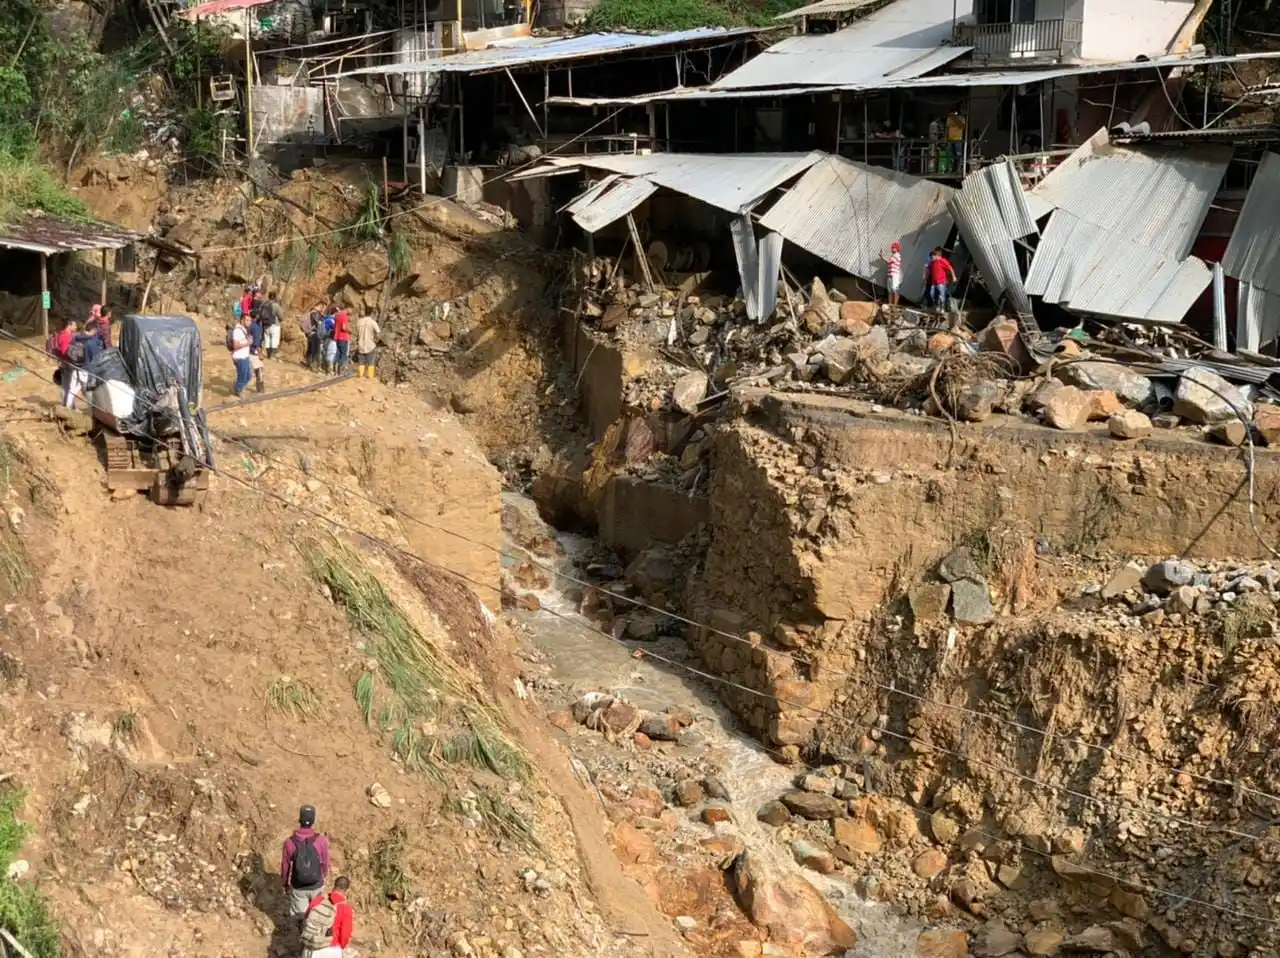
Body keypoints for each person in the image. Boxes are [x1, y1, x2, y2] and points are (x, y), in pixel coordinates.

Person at [281, 805, 330, 921]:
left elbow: (285, 866)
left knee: (300, 918)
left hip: (298, 887)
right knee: (316, 916)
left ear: (299, 820)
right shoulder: (321, 840)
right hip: (316, 885)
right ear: (313, 821)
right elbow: (326, 863)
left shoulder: (289, 843)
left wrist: (285, 884)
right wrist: (323, 876)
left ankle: (300, 935)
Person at [301, 876, 354, 958]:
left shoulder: (318, 900)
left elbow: (306, 919)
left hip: (311, 948)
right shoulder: (346, 909)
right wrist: (342, 947)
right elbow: (345, 935)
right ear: (347, 891)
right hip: (330, 950)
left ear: (334, 886)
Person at [926, 247, 957, 313]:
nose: (932, 257)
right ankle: (937, 306)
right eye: (932, 255)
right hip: (934, 282)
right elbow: (928, 269)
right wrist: (926, 277)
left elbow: (950, 268)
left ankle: (942, 308)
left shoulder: (942, 261)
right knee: (932, 294)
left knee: (942, 295)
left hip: (941, 282)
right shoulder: (932, 263)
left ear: (938, 256)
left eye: (934, 255)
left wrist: (954, 276)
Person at [229, 316, 252, 398]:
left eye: (250, 320)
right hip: (239, 357)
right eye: (247, 320)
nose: (249, 322)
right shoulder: (237, 330)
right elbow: (235, 345)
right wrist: (247, 343)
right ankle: (238, 391)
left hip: (245, 356)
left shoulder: (244, 329)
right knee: (242, 377)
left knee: (249, 376)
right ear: (242, 320)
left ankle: (236, 386)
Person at [354, 314, 380, 379]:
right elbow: (378, 333)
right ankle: (370, 377)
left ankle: (360, 376)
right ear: (371, 314)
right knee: (371, 361)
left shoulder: (359, 322)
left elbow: (356, 334)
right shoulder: (373, 322)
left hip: (361, 345)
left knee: (361, 361)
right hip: (370, 345)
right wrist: (377, 340)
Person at [259, 292, 283, 359]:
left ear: (269, 297)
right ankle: (272, 356)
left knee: (267, 339)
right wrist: (281, 320)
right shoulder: (276, 305)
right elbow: (281, 316)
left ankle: (267, 354)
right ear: (275, 297)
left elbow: (260, 312)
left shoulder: (264, 304)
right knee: (274, 340)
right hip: (274, 324)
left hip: (265, 324)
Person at [248, 311, 266, 394]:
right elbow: (256, 343)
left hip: (247, 350)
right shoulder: (256, 327)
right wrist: (260, 353)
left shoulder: (248, 325)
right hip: (254, 352)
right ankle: (260, 390)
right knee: (259, 370)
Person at [332, 306, 351, 375]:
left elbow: (335, 326)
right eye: (351, 309)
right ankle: (340, 371)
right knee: (343, 354)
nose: (351, 312)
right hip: (343, 337)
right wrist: (349, 331)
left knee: (338, 353)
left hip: (337, 337)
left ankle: (334, 370)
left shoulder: (337, 315)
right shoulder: (344, 316)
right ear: (347, 308)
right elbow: (344, 327)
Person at [946, 109, 967, 173]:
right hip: (950, 139)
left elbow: (962, 126)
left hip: (958, 139)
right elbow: (947, 128)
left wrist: (955, 119)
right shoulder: (949, 118)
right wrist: (946, 137)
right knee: (950, 155)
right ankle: (950, 169)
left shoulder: (962, 118)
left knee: (958, 155)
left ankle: (958, 169)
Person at [882, 241, 902, 307]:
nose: (892, 249)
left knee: (894, 289)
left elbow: (888, 261)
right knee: (890, 290)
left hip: (895, 275)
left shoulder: (897, 255)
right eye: (892, 248)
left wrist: (882, 257)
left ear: (897, 249)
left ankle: (894, 305)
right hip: (890, 275)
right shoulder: (893, 255)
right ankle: (890, 304)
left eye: (894, 248)